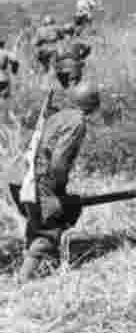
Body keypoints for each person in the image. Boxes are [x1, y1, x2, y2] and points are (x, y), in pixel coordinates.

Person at [14, 82, 101, 281]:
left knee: (37, 224)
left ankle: (44, 268)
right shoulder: (77, 121)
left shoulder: (57, 116)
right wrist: (59, 190)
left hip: (22, 174)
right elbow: (59, 162)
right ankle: (24, 281)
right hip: (39, 179)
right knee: (49, 228)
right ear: (93, 104)